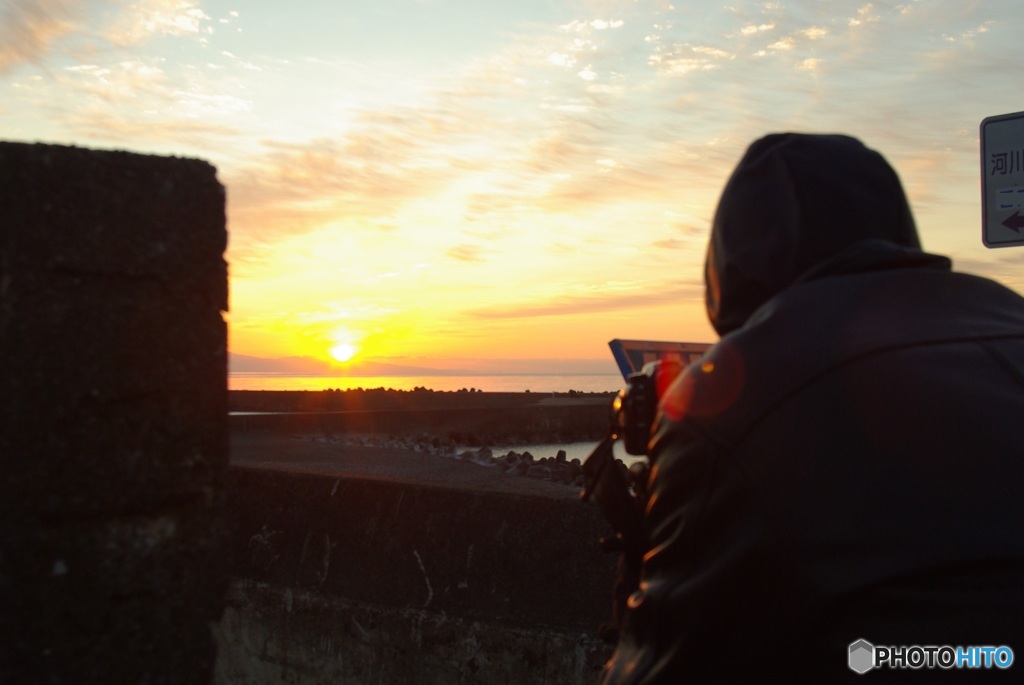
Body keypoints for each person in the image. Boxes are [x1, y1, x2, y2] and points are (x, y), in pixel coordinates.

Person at [600, 133, 1024, 682]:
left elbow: (660, 667)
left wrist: (646, 535)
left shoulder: (738, 402)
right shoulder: (1009, 315)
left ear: (729, 265)